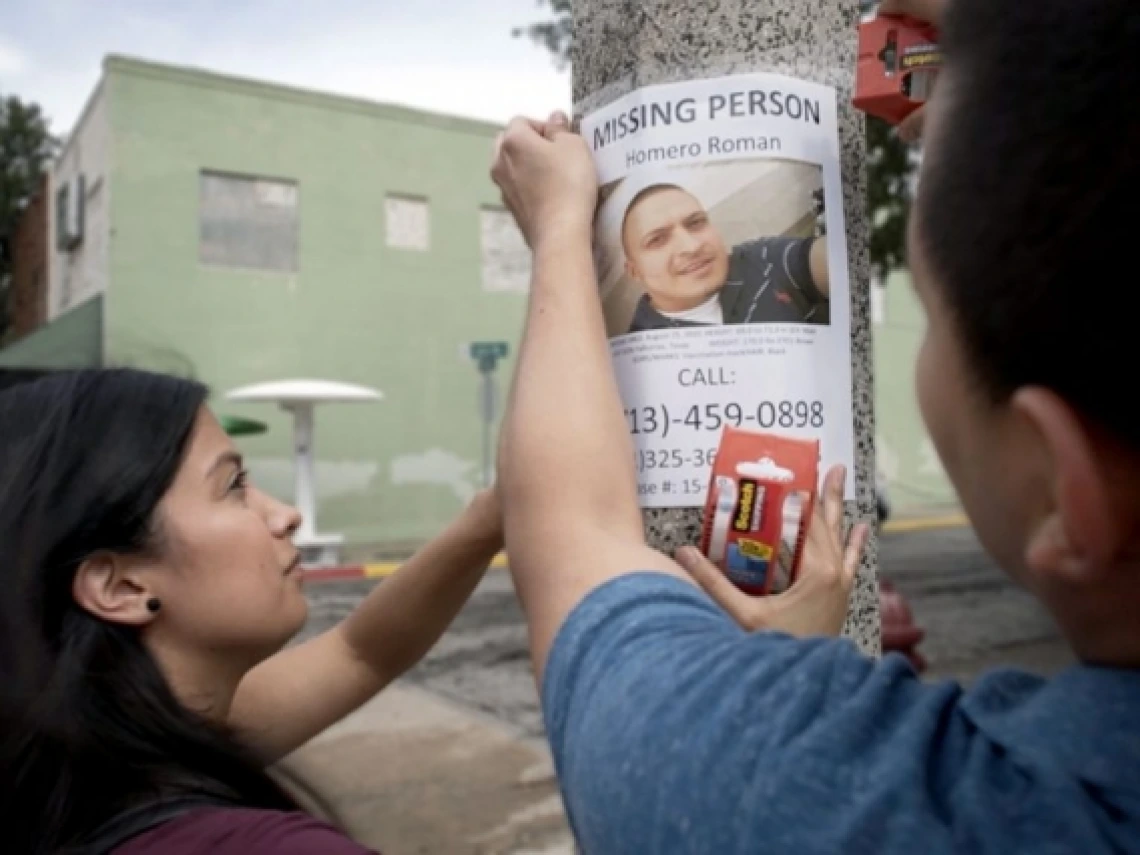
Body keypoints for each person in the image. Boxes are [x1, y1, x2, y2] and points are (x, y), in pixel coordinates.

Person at [490, 0, 1140, 851]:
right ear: (636, 270)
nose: (691, 242)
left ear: (1064, 488)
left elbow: (572, 540)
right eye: (661, 235)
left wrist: (556, 230)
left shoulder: (819, 799)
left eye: (933, 317)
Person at [0, 369, 502, 853]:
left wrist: (486, 522)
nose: (286, 515)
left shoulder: (66, 765)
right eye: (233, 485)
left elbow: (361, 652)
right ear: (122, 586)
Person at [621, 182, 829, 332]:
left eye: (696, 223)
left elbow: (831, 263)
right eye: (658, 239)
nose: (692, 247)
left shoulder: (762, 261)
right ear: (635, 271)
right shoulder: (638, 351)